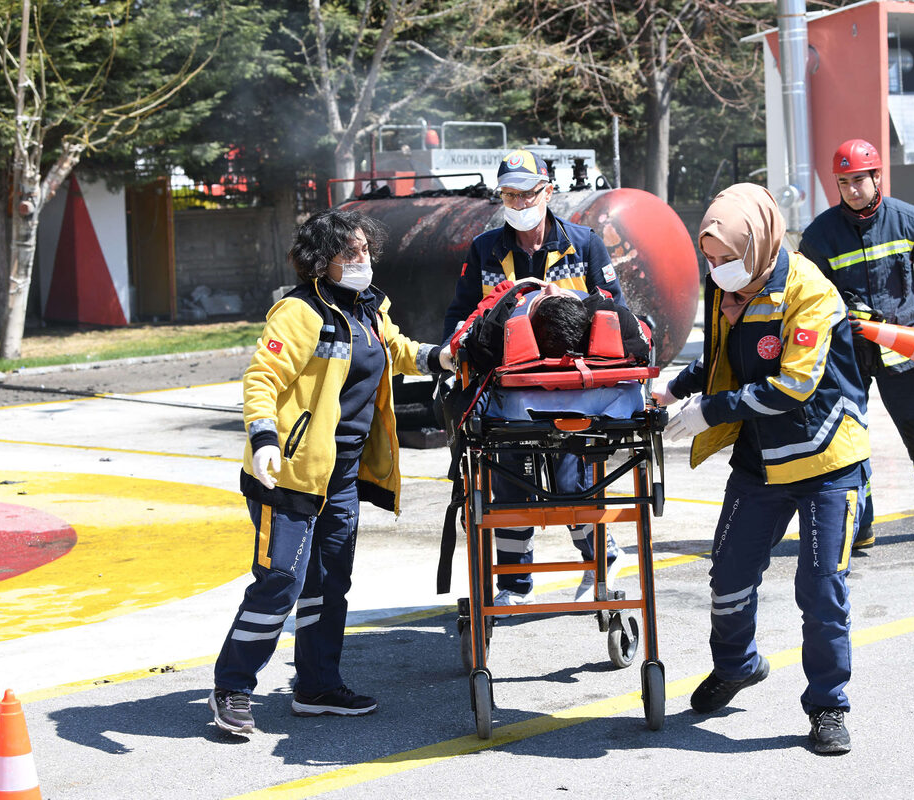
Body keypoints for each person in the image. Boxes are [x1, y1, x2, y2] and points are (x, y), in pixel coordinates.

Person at [209, 208, 453, 735]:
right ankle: (233, 686)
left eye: (364, 249)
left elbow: (398, 350)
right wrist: (264, 438)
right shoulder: (298, 312)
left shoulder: (368, 308)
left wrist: (445, 357)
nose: (362, 259)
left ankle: (317, 686)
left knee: (328, 583)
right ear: (323, 261)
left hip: (340, 477)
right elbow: (262, 378)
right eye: (349, 252)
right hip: (290, 475)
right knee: (280, 582)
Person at [653, 183, 869, 755]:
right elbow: (721, 355)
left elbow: (794, 386)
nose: (718, 270)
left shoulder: (809, 291)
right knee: (728, 575)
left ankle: (828, 706)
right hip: (760, 460)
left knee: (821, 589)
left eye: (727, 258)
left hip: (826, 459)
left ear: (761, 240)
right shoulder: (728, 287)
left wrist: (710, 411)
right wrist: (673, 386)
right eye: (711, 259)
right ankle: (739, 665)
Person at [441, 149, 630, 606]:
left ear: (548, 192)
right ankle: (513, 583)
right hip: (507, 389)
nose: (520, 203)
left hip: (571, 387)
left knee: (572, 474)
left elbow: (615, 312)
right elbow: (460, 313)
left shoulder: (584, 244)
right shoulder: (484, 248)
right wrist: (452, 350)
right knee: (509, 476)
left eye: (528, 193)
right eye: (509, 194)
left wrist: (561, 302)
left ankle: (600, 556)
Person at [799, 138, 914, 548]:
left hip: (905, 350)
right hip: (847, 355)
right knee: (847, 439)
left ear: (877, 176)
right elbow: (809, 294)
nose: (851, 190)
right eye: (843, 182)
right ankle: (858, 526)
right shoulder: (819, 236)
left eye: (858, 181)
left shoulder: (909, 220)